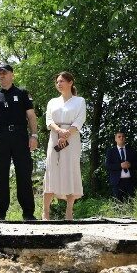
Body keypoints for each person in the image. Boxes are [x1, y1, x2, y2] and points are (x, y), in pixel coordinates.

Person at [0, 64, 39, 221]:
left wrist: (34, 136)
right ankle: (0, 213)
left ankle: (28, 213)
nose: (1, 76)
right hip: (0, 138)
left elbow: (31, 116)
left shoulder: (22, 93)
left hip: (20, 137)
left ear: (12, 75)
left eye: (4, 73)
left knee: (24, 174)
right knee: (0, 176)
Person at [42, 71, 86, 221]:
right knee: (51, 170)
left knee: (70, 169)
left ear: (70, 82)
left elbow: (80, 120)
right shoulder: (52, 102)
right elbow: (48, 120)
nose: (58, 84)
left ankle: (69, 211)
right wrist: (59, 131)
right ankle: (45, 212)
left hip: (72, 138)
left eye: (61, 81)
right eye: (57, 82)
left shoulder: (79, 101)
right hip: (55, 137)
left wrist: (66, 134)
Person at [105, 131, 137, 202]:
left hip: (130, 181)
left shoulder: (131, 150)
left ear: (125, 138)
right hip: (117, 182)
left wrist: (130, 165)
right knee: (118, 204)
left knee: (132, 203)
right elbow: (107, 166)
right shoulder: (111, 151)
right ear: (115, 139)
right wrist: (120, 165)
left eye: (123, 136)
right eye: (119, 137)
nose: (121, 138)